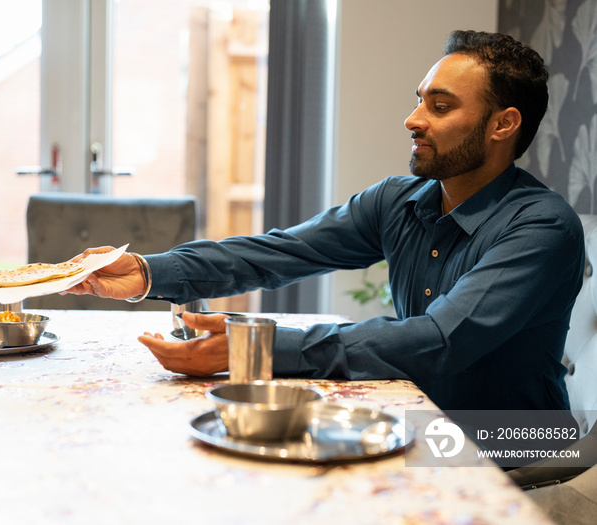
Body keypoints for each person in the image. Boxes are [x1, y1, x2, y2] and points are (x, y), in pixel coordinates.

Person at [64, 30, 585, 414]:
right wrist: (148, 271)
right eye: (419, 99)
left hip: (520, 442)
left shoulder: (542, 229)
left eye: (441, 106)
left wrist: (257, 348)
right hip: (424, 417)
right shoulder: (399, 200)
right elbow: (279, 252)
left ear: (503, 124)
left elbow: (437, 341)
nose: (413, 119)